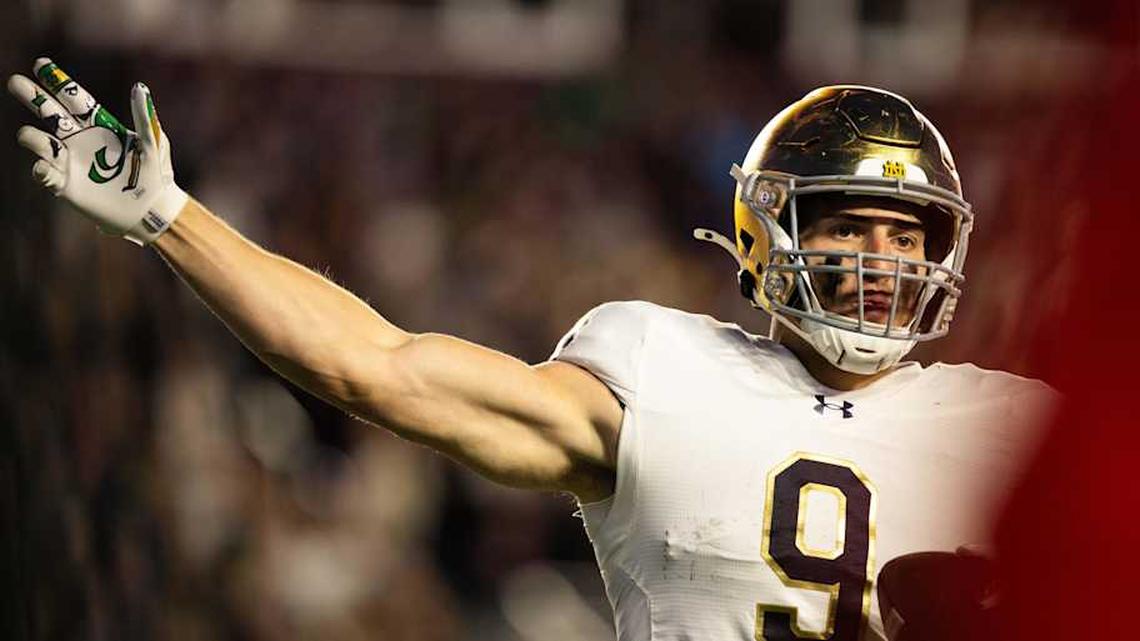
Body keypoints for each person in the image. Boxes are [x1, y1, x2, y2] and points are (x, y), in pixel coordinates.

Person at [8, 59, 1055, 641]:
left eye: (907, 232)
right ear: (769, 234)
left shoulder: (1016, 424)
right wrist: (171, 216)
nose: (883, 257)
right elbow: (376, 365)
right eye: (849, 223)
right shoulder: (662, 369)